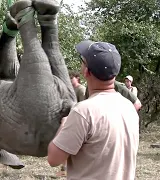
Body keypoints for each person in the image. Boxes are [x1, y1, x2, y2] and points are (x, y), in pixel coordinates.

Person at [47, 40, 139, 179]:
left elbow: (54, 159)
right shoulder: (128, 107)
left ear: (86, 71)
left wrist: (65, 124)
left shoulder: (83, 112)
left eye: (82, 61)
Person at [55, 70, 86, 177]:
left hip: (76, 121)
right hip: (69, 120)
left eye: (71, 78)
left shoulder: (81, 89)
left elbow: (83, 106)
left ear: (77, 78)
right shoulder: (70, 90)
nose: (70, 80)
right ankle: (64, 170)